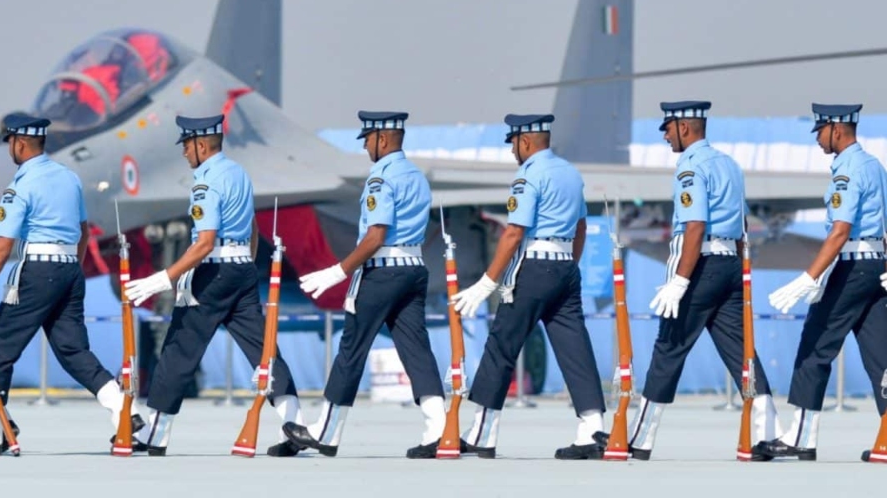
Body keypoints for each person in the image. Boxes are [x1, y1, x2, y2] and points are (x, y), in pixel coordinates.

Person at [0, 112, 138, 454]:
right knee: (73, 350)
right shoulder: (68, 178)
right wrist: (68, 274)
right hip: (69, 271)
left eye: (10, 145)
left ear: (18, 143)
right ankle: (125, 410)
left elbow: (3, 247)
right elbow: (83, 231)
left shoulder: (21, 185)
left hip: (36, 272)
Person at [602, 101, 779, 460]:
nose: (666, 135)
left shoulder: (691, 168)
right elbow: (741, 225)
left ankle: (640, 438)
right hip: (729, 263)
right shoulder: (729, 164)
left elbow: (695, 225)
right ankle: (767, 432)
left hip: (701, 265)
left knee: (669, 347)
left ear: (685, 127)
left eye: (668, 128)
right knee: (741, 353)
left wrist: (681, 281)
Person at [123, 114, 305, 456]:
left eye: (187, 146)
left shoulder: (205, 183)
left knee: (179, 349)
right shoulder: (239, 173)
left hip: (212, 271)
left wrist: (164, 278)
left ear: (201, 145)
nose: (184, 153)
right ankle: (294, 421)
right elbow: (251, 226)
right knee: (263, 350)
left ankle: (155, 435)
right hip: (241, 270)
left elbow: (204, 242)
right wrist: (246, 265)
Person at [282, 111, 446, 459]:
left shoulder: (381, 178)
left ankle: (326, 432)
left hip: (382, 270)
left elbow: (375, 235)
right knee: (417, 350)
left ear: (382, 140)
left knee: (351, 349)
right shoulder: (417, 176)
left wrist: (338, 271)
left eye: (368, 140)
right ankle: (440, 430)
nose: (367, 147)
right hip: (414, 269)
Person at [451, 114, 606, 459]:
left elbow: (513, 232)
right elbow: (581, 227)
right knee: (575, 349)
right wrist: (568, 265)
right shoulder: (570, 172)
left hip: (533, 267)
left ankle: (482, 433)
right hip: (566, 266)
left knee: (501, 346)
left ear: (525, 141)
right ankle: (592, 429)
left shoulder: (528, 175)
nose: (512, 151)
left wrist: (487, 281)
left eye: (513, 143)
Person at [759, 103, 887, 462]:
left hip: (852, 267)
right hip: (875, 267)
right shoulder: (875, 166)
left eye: (819, 130)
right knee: (881, 356)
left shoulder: (847, 170)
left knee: (815, 346)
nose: (817, 138)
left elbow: (840, 231)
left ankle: (801, 438)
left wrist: (809, 277)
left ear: (836, 129)